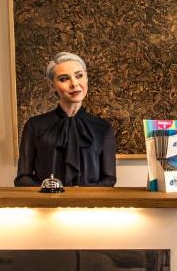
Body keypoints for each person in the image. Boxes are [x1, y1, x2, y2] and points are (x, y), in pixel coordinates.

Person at [14, 52, 116, 187]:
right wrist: (51, 191)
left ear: (86, 78)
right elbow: (23, 178)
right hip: (47, 206)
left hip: (90, 206)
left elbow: (109, 179)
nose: (74, 84)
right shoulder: (35, 125)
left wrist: (81, 194)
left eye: (79, 76)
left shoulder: (103, 128)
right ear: (52, 85)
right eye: (63, 79)